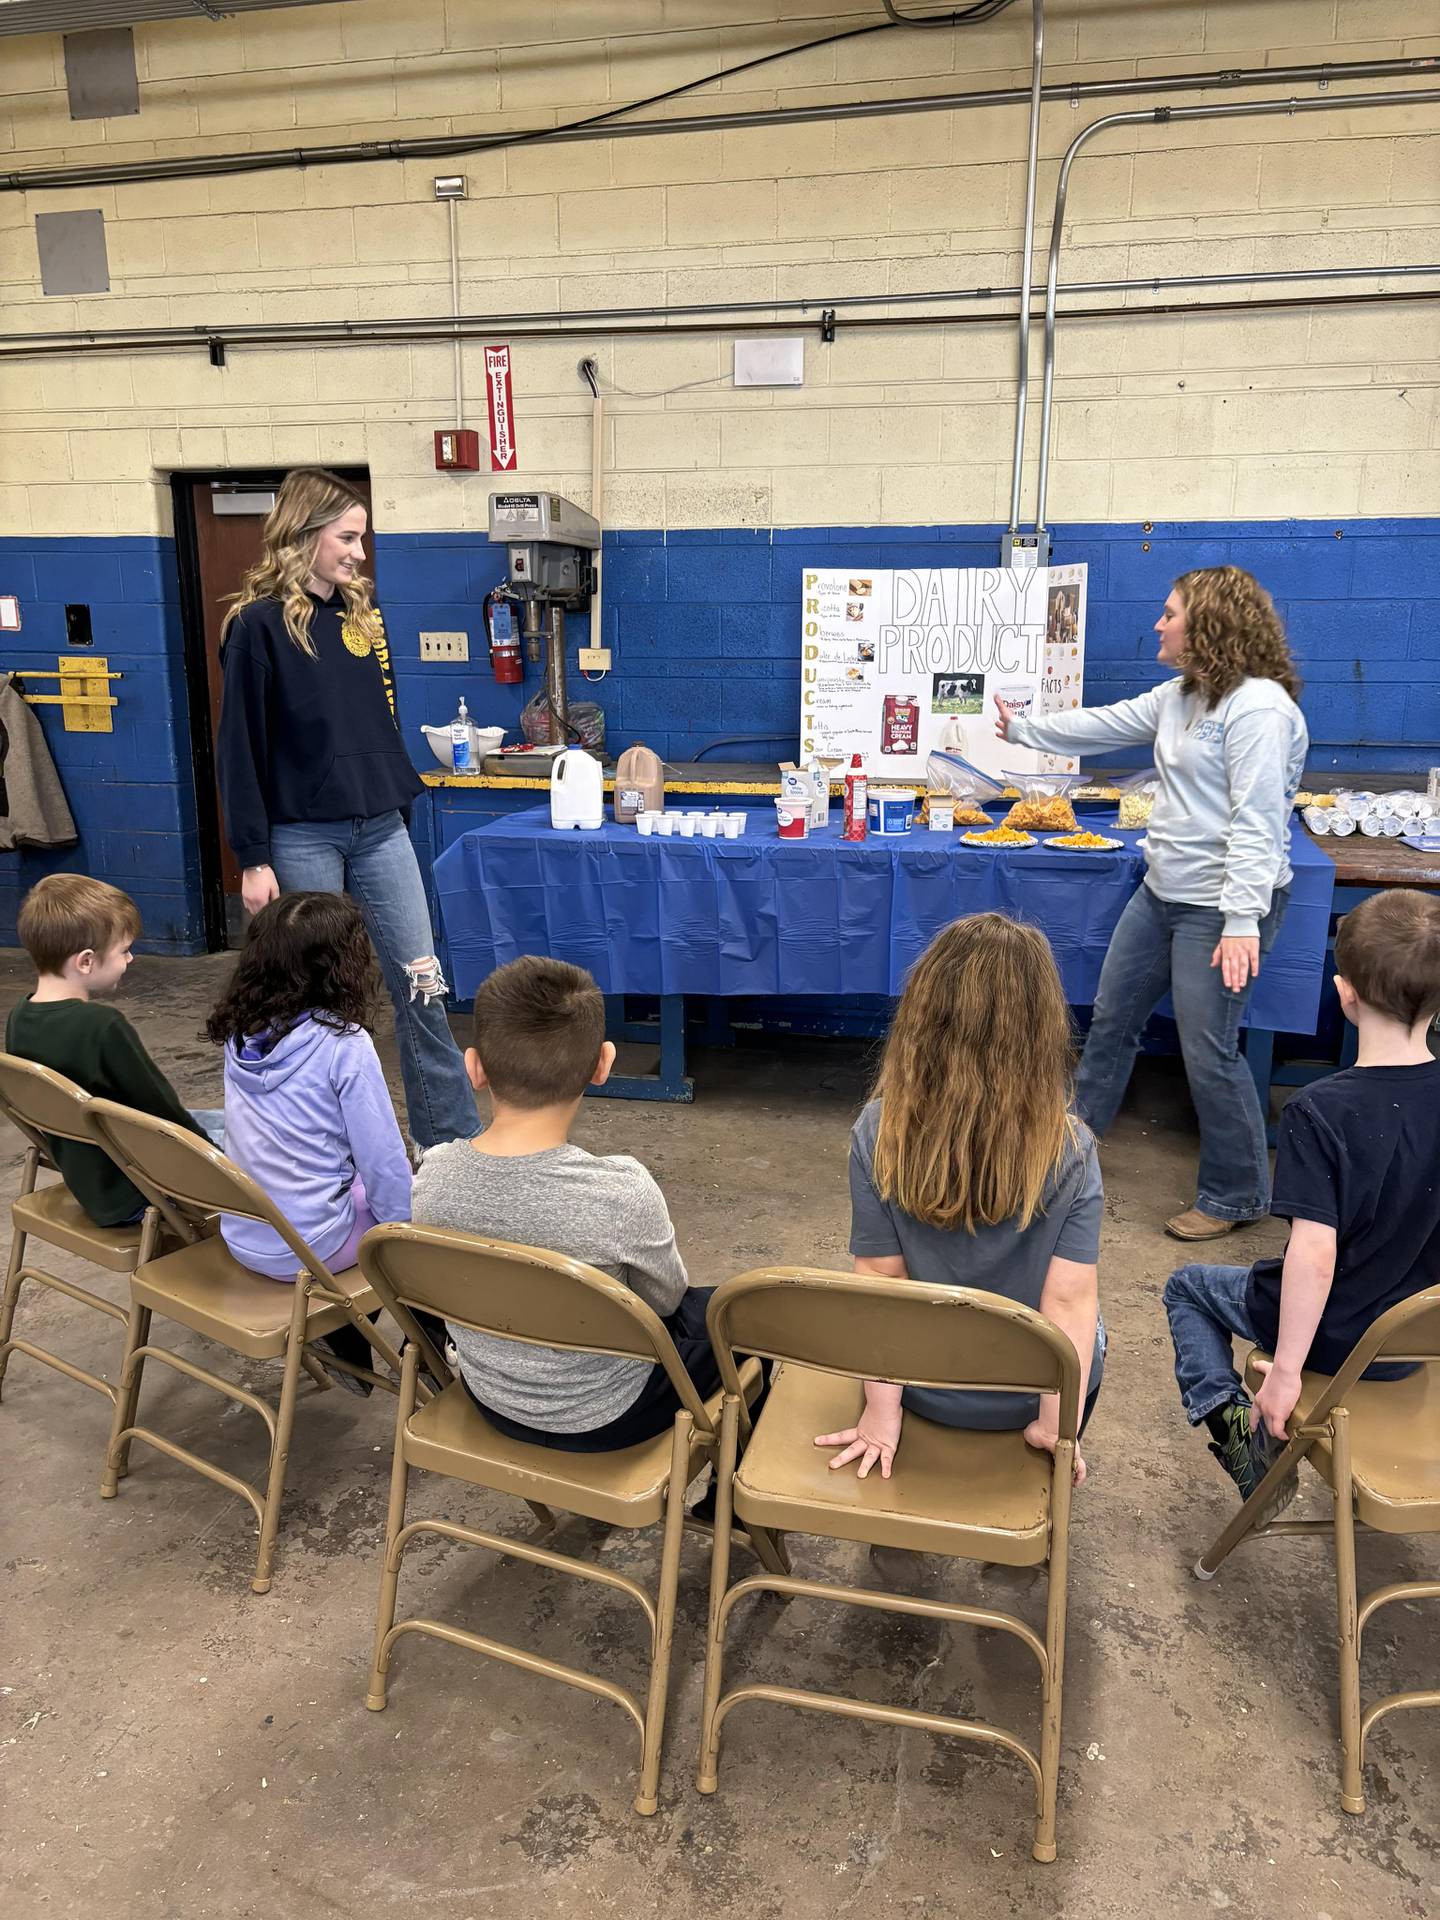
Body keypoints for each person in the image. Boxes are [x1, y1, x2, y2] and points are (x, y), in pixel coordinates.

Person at [995, 565, 1308, 1242]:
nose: (1158, 625)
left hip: (1223, 908)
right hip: (1162, 891)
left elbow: (1258, 822)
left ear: (1211, 624)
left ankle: (1236, 1194)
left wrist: (1242, 921)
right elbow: (1105, 724)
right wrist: (1024, 730)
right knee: (1110, 1021)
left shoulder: (1259, 709)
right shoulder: (1183, 695)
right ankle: (1065, 1156)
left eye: (1170, 614)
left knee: (1208, 1049)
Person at [215, 466, 476, 1153]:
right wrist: (253, 856)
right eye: (348, 537)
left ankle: (451, 1150)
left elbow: (373, 725)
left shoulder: (358, 618)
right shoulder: (257, 628)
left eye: (362, 538)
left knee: (423, 988)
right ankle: (323, 1154)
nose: (360, 553)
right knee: (318, 1002)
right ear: (303, 533)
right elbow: (237, 750)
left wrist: (396, 803)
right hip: (301, 836)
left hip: (381, 828)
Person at [1163, 889, 1440, 1511]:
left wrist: (1285, 1373)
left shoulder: (1320, 1111)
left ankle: (1237, 1432)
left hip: (1334, 1340)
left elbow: (1314, 1257)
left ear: (1344, 994)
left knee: (1186, 1287)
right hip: (1411, 1344)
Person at [816, 914, 1103, 1484]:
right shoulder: (1071, 1149)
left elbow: (880, 1282)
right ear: (1042, 1031)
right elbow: (1067, 1307)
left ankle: (899, 1526)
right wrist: (1056, 1427)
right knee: (1092, 1323)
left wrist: (879, 1413)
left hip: (920, 1387)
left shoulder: (879, 1131)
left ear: (920, 1020)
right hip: (1025, 1395)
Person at [411, 954, 729, 1457]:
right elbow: (666, 1302)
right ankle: (726, 1505)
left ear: (473, 1068)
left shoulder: (434, 1175)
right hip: (612, 1415)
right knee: (735, 1314)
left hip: (490, 1398)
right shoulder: (622, 1191)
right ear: (604, 1063)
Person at [205, 891, 413, 1395]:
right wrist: (412, 1232)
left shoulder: (239, 1033)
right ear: (343, 967)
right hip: (312, 1248)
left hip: (246, 1235)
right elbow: (384, 1165)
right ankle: (417, 1350)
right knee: (421, 1206)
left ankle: (344, 1338)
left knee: (356, 1183)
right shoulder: (345, 1045)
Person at [5, 874, 223, 1228]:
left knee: (217, 1118)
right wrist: (217, 1163)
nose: (131, 958)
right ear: (86, 961)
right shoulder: (101, 1026)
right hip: (136, 1189)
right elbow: (161, 1109)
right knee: (248, 1132)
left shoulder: (20, 1016)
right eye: (124, 950)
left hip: (88, 1178)